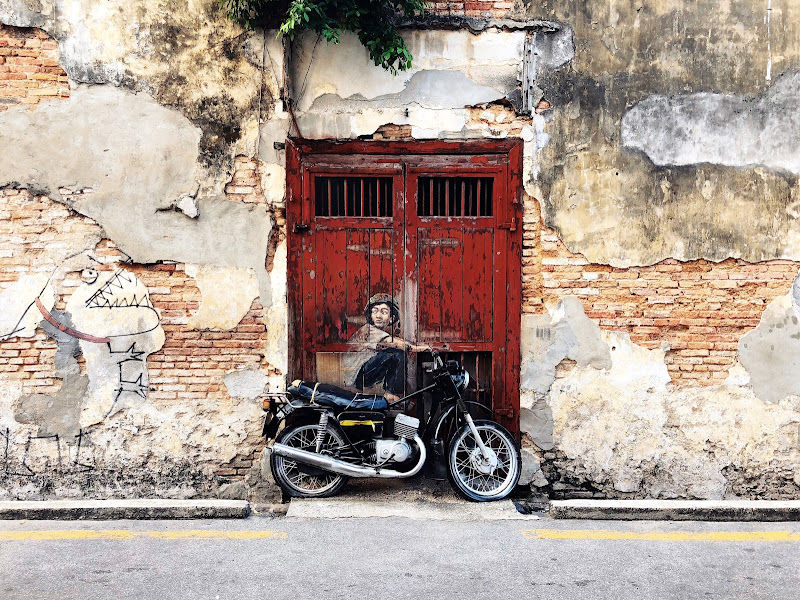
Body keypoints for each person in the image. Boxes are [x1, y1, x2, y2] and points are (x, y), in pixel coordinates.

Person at [343, 293, 426, 402]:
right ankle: (393, 395)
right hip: (355, 377)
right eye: (375, 311)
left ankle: (391, 394)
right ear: (371, 316)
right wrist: (421, 348)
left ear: (391, 319)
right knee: (397, 354)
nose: (378, 315)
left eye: (384, 312)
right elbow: (395, 343)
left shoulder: (379, 333)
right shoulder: (368, 330)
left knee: (393, 355)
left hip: (362, 375)